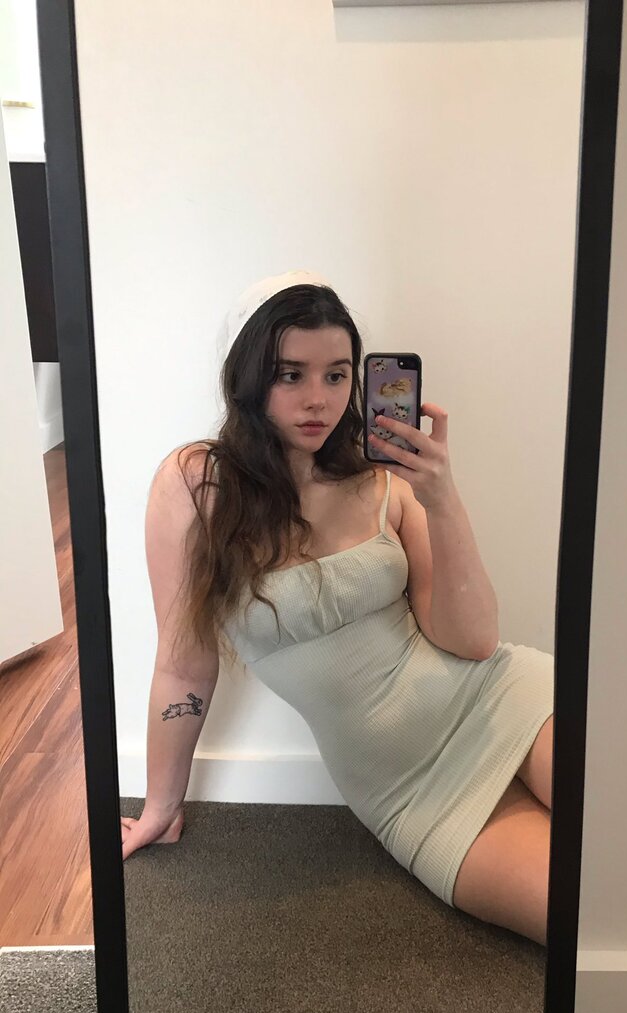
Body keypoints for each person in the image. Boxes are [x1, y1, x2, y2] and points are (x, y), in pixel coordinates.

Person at [120, 271, 556, 945]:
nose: (317, 399)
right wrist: (160, 805)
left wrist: (441, 499)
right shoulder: (197, 485)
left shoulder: (383, 481)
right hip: (413, 791)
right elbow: (182, 666)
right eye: (289, 374)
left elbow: (472, 642)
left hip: (502, 700)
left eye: (337, 374)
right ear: (248, 378)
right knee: (592, 917)